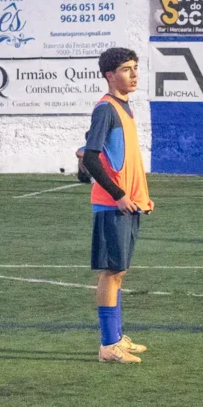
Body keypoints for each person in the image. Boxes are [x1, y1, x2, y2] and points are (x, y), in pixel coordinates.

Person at [81, 47, 154, 364]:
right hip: (113, 206)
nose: (134, 74)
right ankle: (108, 345)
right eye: (126, 69)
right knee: (112, 272)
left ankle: (116, 337)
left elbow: (92, 151)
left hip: (129, 205)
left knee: (119, 271)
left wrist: (140, 197)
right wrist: (119, 195)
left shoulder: (124, 109)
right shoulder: (106, 109)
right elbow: (92, 157)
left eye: (136, 67)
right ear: (110, 75)